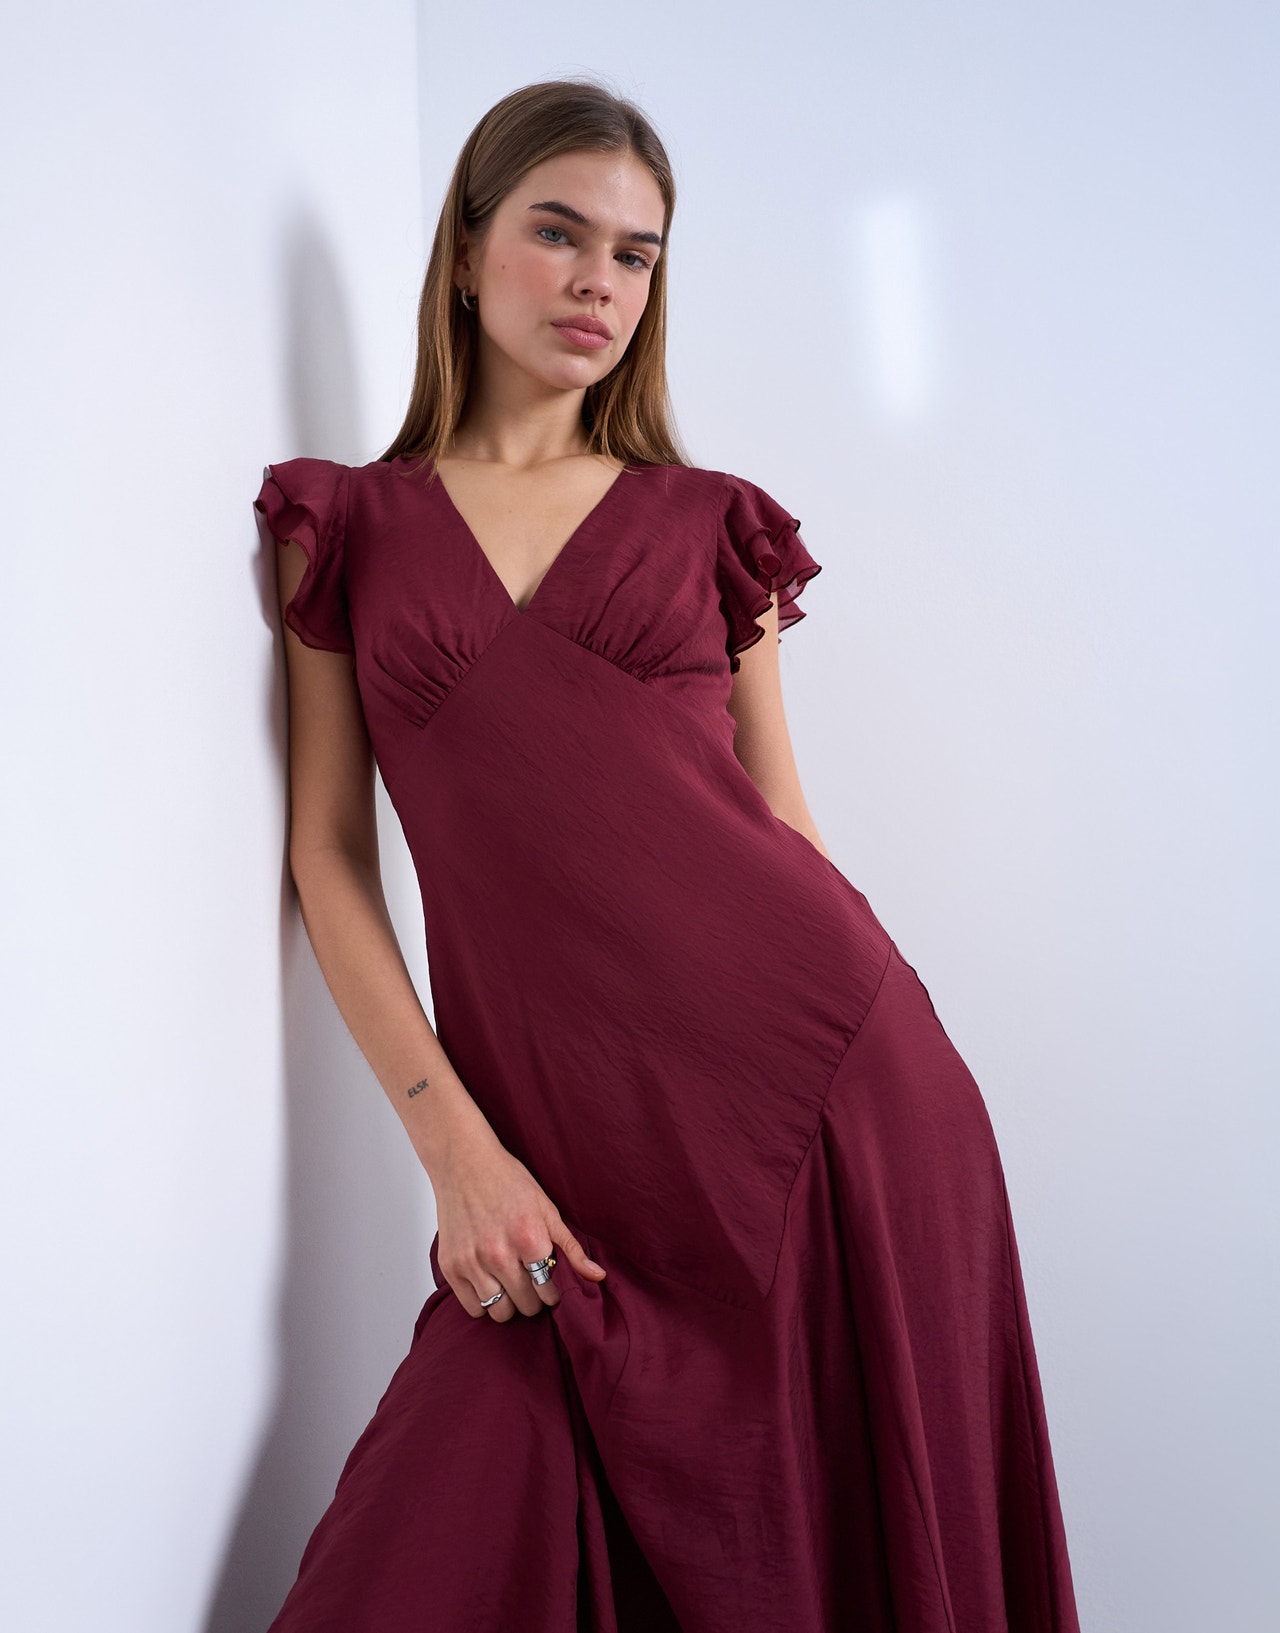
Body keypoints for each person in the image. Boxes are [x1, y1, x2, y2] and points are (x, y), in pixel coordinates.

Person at [254, 76, 1081, 1633]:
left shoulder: (713, 524)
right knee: (420, 1541)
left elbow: (783, 825)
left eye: (635, 255)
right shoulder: (346, 527)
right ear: (465, 253)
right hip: (566, 1145)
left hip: (823, 1099)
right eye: (558, 233)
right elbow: (329, 856)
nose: (598, 282)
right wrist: (455, 1148)